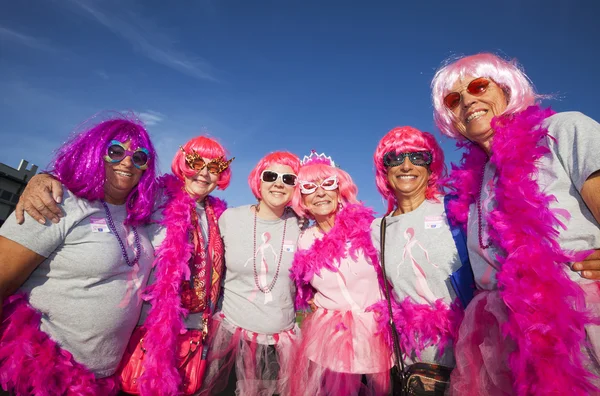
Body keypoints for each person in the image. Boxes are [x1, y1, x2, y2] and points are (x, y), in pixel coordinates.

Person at [431, 52, 600, 395]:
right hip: (501, 334)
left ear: (506, 89)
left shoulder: (561, 130)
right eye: (454, 99)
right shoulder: (475, 179)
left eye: (479, 86)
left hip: (573, 321)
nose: (468, 101)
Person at [0, 115, 158, 395]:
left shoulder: (139, 218)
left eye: (139, 157)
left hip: (105, 380)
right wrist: (42, 179)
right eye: (116, 151)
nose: (126, 162)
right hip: (42, 377)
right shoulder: (55, 202)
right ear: (96, 151)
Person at [128, 136, 231, 395]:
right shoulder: (153, 196)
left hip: (196, 329)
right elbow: (105, 189)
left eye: (214, 167)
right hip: (149, 327)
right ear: (182, 163)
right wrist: (46, 181)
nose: (204, 173)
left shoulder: (219, 215)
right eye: (196, 162)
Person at [369, 126, 465, 394]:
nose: (407, 165)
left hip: (469, 356)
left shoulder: (456, 209)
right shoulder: (379, 229)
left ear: (431, 165)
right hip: (413, 365)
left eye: (418, 157)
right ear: (384, 169)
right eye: (394, 158)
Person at [288, 151, 392, 396]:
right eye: (310, 187)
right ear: (302, 198)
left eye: (328, 184)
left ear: (340, 190)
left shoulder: (370, 229)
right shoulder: (304, 240)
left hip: (376, 337)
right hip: (331, 341)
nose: (320, 192)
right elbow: (302, 285)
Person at [200, 151, 303, 396]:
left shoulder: (303, 225)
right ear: (259, 180)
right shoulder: (230, 219)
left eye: (288, 179)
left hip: (280, 345)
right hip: (230, 339)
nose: (279, 183)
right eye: (271, 176)